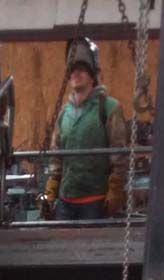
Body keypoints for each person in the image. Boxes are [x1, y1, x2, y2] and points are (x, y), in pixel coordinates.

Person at [44, 37, 127, 221]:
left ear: (92, 76)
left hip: (96, 202)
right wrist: (51, 190)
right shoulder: (64, 113)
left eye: (81, 69)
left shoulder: (109, 108)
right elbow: (56, 155)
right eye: (72, 70)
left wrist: (115, 190)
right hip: (66, 202)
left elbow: (120, 156)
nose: (76, 74)